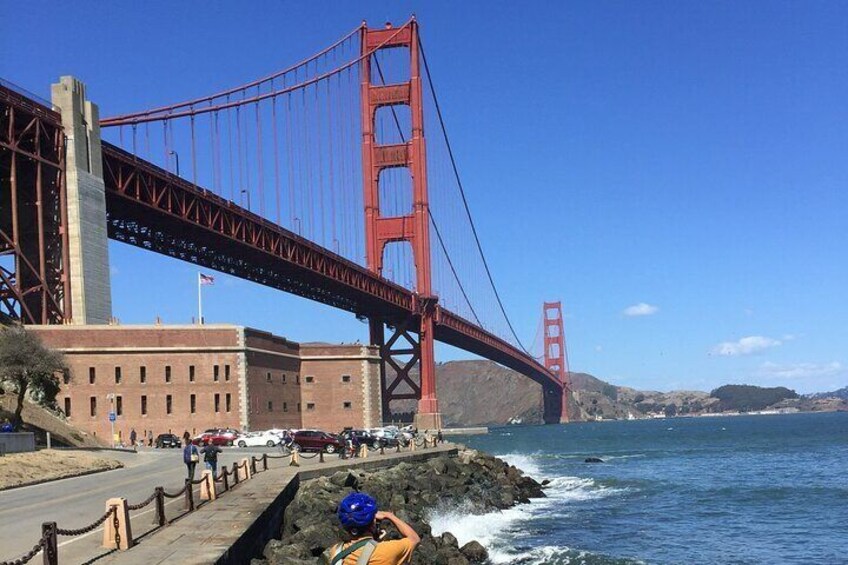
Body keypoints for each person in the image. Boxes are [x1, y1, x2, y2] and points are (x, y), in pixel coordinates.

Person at [322, 492, 419, 565]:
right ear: (373, 522)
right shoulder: (387, 551)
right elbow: (414, 539)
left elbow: (360, 552)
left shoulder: (336, 551)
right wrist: (389, 516)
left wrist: (374, 540)